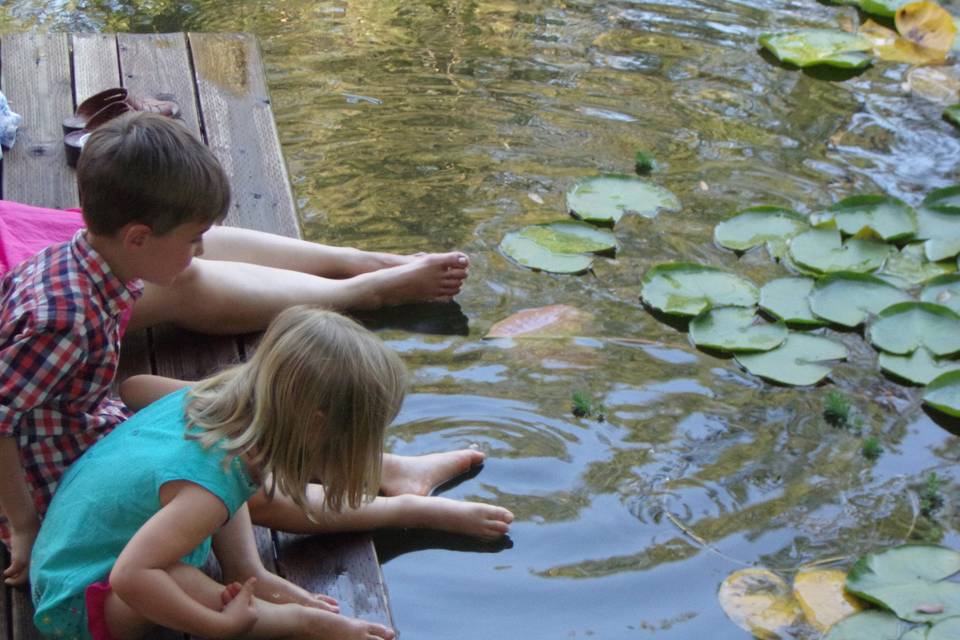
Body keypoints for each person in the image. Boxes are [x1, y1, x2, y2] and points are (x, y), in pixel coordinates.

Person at [0, 112, 504, 587]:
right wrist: (23, 523)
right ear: (138, 238)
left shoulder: (86, 265)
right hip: (53, 475)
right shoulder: (62, 320)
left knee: (142, 388)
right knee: (239, 487)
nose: (200, 252)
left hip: (74, 421)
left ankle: (388, 469)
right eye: (194, 239)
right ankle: (403, 508)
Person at [30, 307, 417, 640]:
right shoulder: (206, 490)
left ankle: (249, 571)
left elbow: (223, 484)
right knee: (175, 578)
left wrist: (248, 573)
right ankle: (299, 622)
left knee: (223, 487)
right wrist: (218, 626)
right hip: (76, 604)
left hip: (66, 555)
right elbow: (130, 577)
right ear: (316, 426)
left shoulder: (211, 410)